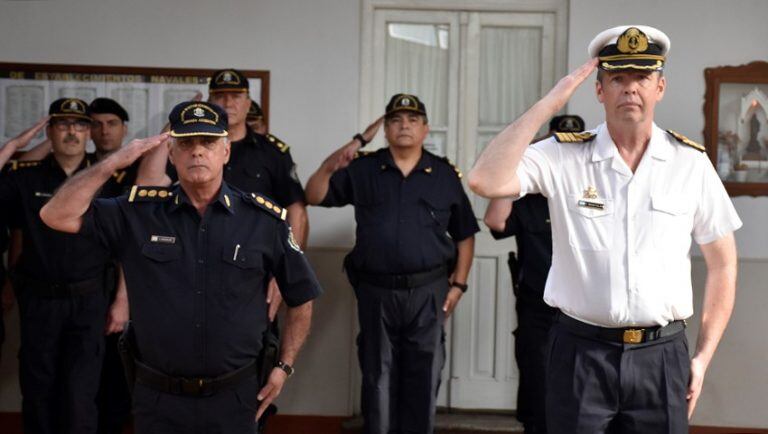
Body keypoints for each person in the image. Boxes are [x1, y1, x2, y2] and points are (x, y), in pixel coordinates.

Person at [468, 26, 741, 434]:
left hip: (662, 357)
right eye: (618, 78)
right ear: (599, 91)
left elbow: (723, 264)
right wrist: (548, 104)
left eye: (641, 78)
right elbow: (484, 181)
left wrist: (701, 358)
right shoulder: (563, 155)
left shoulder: (690, 164)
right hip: (580, 352)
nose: (630, 89)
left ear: (659, 87)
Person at [40, 100, 322, 434]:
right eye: (186, 143)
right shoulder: (137, 213)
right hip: (159, 399)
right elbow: (55, 215)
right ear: (171, 154)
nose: (197, 152)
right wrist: (114, 161)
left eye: (208, 142)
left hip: (236, 396)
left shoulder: (263, 221)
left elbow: (302, 295)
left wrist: (284, 367)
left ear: (225, 152)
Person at [305, 94, 479, 434]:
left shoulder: (443, 174)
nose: (404, 126)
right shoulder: (364, 168)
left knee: (424, 374)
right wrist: (356, 142)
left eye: (412, 120)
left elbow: (465, 234)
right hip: (377, 291)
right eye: (396, 120)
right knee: (377, 375)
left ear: (425, 129)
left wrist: (458, 285)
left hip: (429, 291)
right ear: (384, 128)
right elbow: (314, 193)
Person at [139, 69, 307, 321]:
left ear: (248, 103)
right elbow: (147, 182)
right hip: (190, 266)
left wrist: (284, 271)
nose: (228, 102)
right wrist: (178, 123)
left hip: (252, 270)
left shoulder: (272, 152)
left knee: (250, 346)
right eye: (219, 96)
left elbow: (296, 211)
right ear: (208, 102)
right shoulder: (188, 148)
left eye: (236, 96)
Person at [0, 98, 112, 434]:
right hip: (39, 300)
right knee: (38, 389)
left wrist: (122, 301)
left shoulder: (107, 179)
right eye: (63, 125)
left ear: (90, 133)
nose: (72, 132)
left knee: (81, 393)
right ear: (49, 132)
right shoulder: (26, 178)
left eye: (79, 125)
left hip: (90, 300)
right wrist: (13, 146)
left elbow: (125, 248)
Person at [483, 114, 585, 434]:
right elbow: (496, 222)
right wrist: (519, 161)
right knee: (537, 392)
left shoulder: (593, 197)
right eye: (557, 146)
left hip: (583, 315)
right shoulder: (528, 196)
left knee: (581, 396)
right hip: (537, 312)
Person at [87, 97, 136, 434]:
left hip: (124, 285)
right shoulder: (79, 168)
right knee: (81, 375)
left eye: (112, 123)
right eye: (97, 124)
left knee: (118, 374)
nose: (104, 131)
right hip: (82, 283)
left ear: (125, 129)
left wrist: (123, 298)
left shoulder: (139, 170)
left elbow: (133, 243)